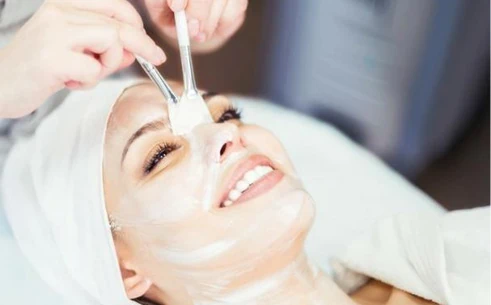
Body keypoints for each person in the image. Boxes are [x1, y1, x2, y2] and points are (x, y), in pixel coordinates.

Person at [3, 79, 488, 305]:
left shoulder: (453, 255)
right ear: (123, 268)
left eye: (227, 115)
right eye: (159, 155)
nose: (224, 136)